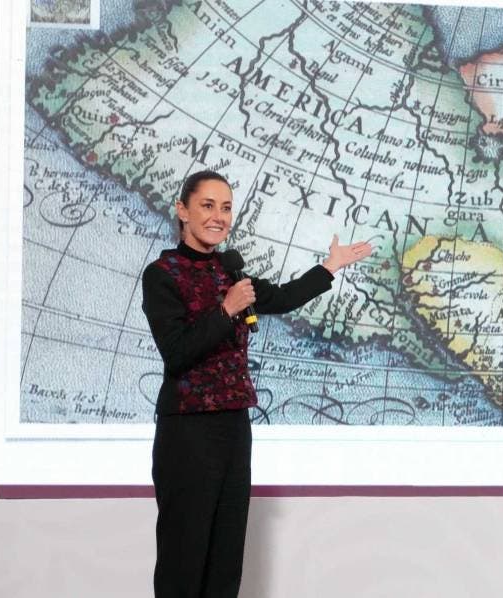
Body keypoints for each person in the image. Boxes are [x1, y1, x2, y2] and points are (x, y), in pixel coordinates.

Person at [140, 170, 372, 597]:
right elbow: (176, 351)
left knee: (225, 559)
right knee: (184, 560)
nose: (219, 216)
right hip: (188, 429)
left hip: (233, 426)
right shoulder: (162, 274)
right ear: (182, 210)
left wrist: (329, 267)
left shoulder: (230, 272)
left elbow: (281, 298)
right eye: (208, 206)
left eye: (226, 208)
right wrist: (225, 310)